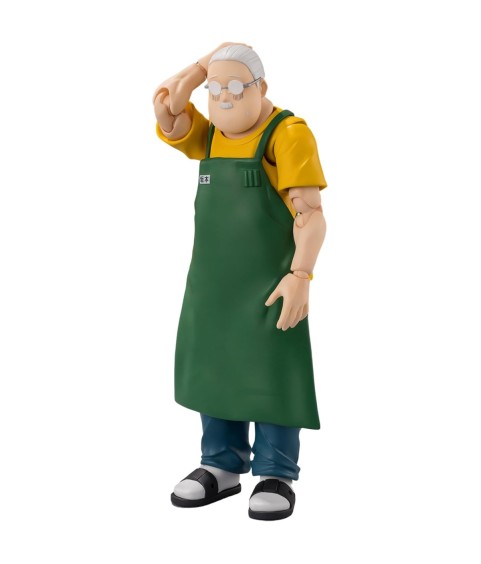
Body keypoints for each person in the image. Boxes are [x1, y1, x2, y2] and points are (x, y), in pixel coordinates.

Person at [153, 43, 327, 520]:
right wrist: (199, 70)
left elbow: (310, 214)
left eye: (235, 87)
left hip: (270, 284)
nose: (224, 98)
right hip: (212, 284)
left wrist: (300, 275)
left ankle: (275, 471)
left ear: (261, 87)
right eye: (215, 90)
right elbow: (166, 106)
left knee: (271, 374)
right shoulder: (210, 135)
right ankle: (221, 464)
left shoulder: (286, 134)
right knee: (215, 369)